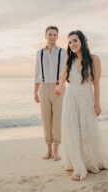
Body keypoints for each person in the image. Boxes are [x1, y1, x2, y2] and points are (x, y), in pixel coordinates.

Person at [55, 30, 108, 181]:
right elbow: (62, 80)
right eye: (70, 42)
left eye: (75, 40)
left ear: (82, 41)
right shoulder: (69, 61)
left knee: (87, 130)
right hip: (70, 99)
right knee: (72, 131)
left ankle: (92, 160)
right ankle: (78, 166)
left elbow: (96, 84)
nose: (72, 44)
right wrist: (58, 89)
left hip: (86, 98)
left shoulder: (94, 59)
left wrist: (97, 104)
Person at [34, 26, 66, 161]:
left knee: (57, 119)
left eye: (54, 34)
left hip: (58, 87)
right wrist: (35, 92)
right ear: (45, 36)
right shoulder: (39, 53)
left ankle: (56, 151)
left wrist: (60, 86)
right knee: (46, 119)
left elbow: (65, 72)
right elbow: (37, 73)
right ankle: (48, 151)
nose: (52, 36)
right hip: (44, 87)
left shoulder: (63, 52)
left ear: (57, 37)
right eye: (50, 34)